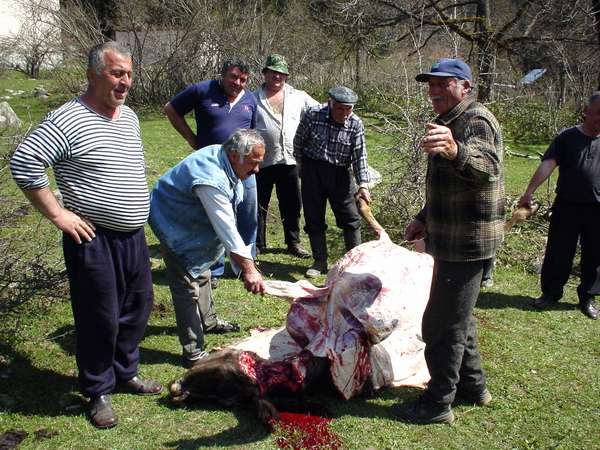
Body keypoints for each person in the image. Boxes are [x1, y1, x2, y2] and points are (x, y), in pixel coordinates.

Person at [10, 41, 162, 429]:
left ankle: (125, 373)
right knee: (100, 318)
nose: (125, 81)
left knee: (137, 309)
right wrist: (59, 214)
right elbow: (26, 161)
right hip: (93, 238)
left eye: (129, 73)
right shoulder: (68, 119)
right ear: (94, 74)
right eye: (117, 73)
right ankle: (97, 390)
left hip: (132, 236)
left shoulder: (127, 117)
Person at [395, 58, 504, 424]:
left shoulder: (476, 120)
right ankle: (473, 388)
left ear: (465, 88)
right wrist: (423, 219)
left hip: (466, 243)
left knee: (441, 325)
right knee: (460, 318)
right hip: (449, 236)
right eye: (431, 84)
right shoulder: (447, 123)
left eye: (444, 84)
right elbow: (447, 187)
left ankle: (438, 402)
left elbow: (487, 169)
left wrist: (457, 151)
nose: (434, 91)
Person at [149, 129, 267, 368]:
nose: (257, 171)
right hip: (173, 222)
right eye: (253, 164)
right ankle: (193, 353)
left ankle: (209, 321)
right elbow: (226, 227)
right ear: (235, 156)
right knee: (186, 287)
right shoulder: (211, 177)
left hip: (191, 220)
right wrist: (249, 269)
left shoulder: (225, 157)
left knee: (202, 271)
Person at [164, 58, 257, 292]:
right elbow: (171, 109)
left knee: (247, 216)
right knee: (215, 217)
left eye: (243, 80)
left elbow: (253, 134)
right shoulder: (202, 90)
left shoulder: (250, 99)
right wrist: (190, 137)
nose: (237, 83)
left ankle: (246, 265)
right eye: (233, 77)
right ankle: (213, 269)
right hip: (212, 169)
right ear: (223, 75)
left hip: (242, 168)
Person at [518, 92, 600, 320]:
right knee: (558, 252)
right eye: (598, 113)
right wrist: (529, 192)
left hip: (597, 209)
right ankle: (551, 293)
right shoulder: (567, 137)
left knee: (595, 254)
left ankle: (588, 297)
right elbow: (548, 165)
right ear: (587, 111)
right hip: (567, 205)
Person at [293, 86, 371, 278]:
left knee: (351, 220)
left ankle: (354, 264)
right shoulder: (313, 114)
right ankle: (319, 261)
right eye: (340, 109)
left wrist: (363, 185)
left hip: (341, 174)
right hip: (313, 171)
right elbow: (298, 142)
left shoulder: (355, 124)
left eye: (349, 109)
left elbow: (360, 157)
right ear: (330, 103)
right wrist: (303, 168)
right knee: (314, 217)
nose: (344, 114)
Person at [254, 54, 319, 258]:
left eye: (281, 73)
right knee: (257, 203)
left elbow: (320, 111)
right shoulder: (252, 98)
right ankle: (257, 244)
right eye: (273, 72)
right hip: (260, 161)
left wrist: (344, 109)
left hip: (290, 160)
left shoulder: (299, 96)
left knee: (292, 204)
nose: (277, 76)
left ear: (286, 76)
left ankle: (293, 243)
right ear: (265, 73)